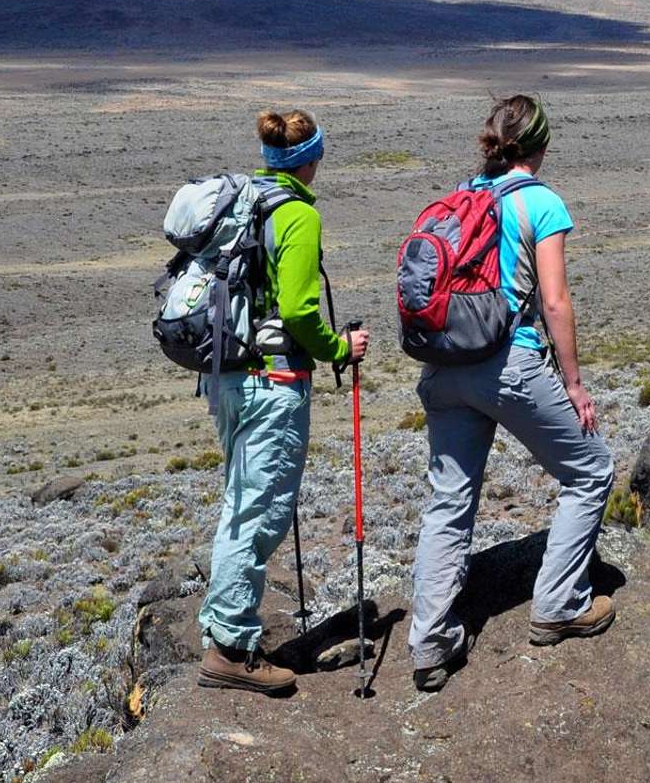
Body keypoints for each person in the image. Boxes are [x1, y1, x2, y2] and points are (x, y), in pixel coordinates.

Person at [408, 94, 615, 692]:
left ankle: (429, 644)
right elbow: (554, 301)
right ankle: (559, 604)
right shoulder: (540, 202)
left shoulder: (465, 195)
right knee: (592, 470)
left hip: (445, 369)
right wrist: (573, 384)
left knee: (448, 502)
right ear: (541, 146)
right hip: (509, 364)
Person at [197, 109, 371, 694]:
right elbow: (298, 310)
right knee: (260, 512)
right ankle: (230, 650)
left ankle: (223, 631)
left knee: (240, 503)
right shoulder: (296, 215)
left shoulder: (244, 203)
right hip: (273, 383)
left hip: (227, 378)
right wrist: (338, 347)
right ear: (311, 159)